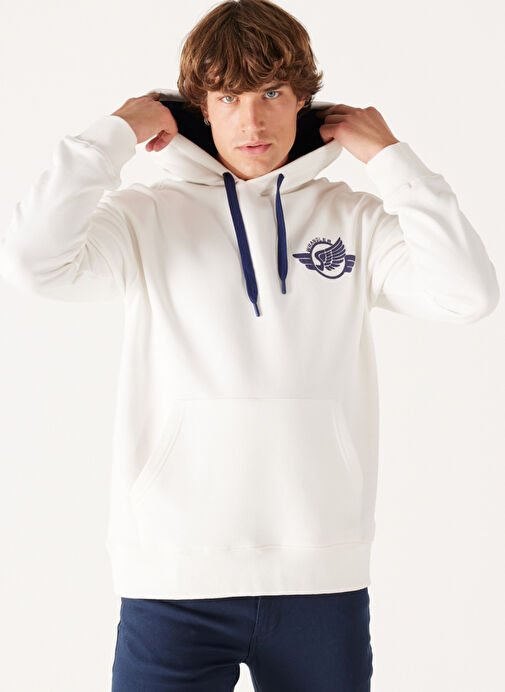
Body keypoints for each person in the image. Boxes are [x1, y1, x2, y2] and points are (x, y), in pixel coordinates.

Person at [1, 0, 499, 690]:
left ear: (303, 102)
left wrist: (391, 160)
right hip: (172, 579)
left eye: (271, 93)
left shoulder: (352, 218)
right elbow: (32, 262)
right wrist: (115, 133)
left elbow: (468, 295)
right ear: (199, 109)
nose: (252, 121)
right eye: (228, 97)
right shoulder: (145, 218)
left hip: (321, 578)